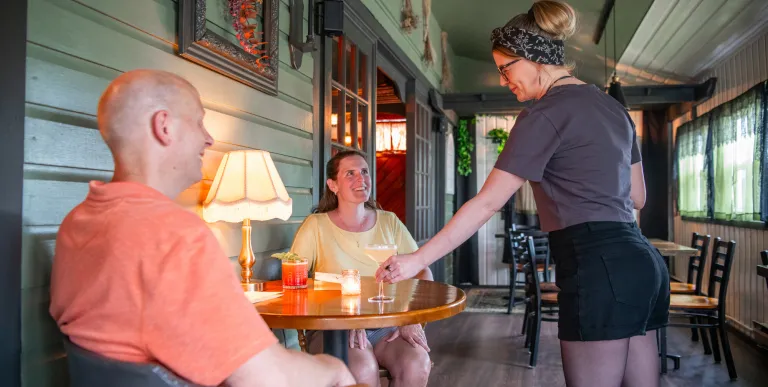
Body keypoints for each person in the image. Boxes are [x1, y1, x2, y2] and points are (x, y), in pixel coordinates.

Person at [375, 2, 669, 387]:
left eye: (505, 68)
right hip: (642, 263)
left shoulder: (543, 114)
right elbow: (638, 197)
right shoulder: (615, 110)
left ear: (534, 59)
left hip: (596, 265)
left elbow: (486, 202)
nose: (502, 81)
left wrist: (417, 259)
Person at [49, 69, 356, 387]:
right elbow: (266, 379)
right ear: (164, 126)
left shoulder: (78, 222)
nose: (208, 138)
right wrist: (332, 368)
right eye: (198, 121)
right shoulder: (174, 235)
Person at [290, 150, 433, 387]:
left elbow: (421, 271)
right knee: (362, 369)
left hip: (387, 323)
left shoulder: (389, 221)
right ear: (333, 185)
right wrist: (346, 319)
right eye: (350, 173)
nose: (361, 179)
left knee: (417, 362)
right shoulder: (315, 226)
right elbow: (296, 284)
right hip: (333, 328)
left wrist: (411, 318)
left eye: (364, 172)